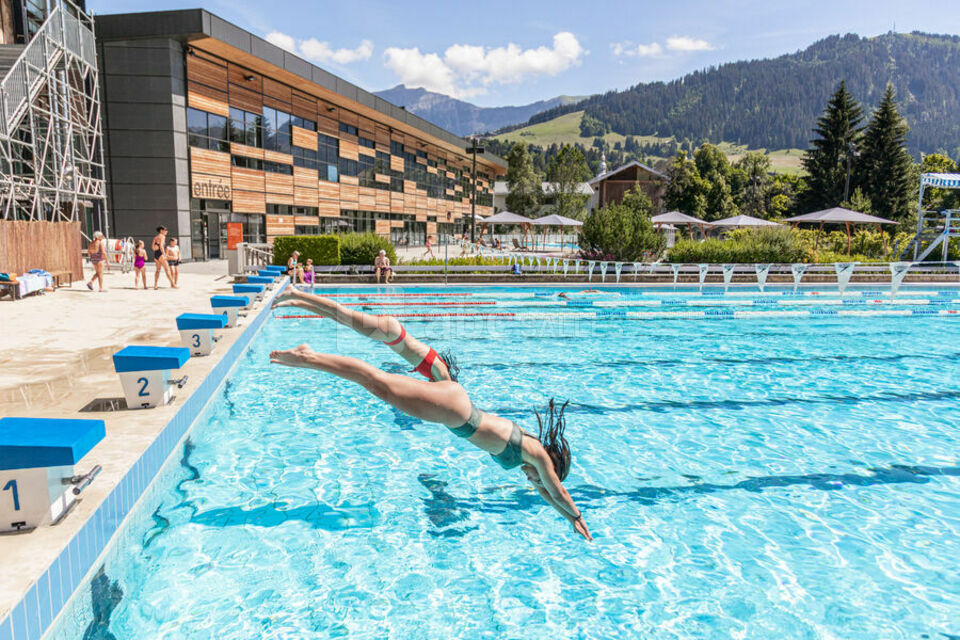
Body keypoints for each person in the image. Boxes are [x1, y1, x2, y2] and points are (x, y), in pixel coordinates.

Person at [269, 294, 591, 541]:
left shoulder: (528, 455)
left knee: (378, 382)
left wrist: (567, 519)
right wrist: (577, 516)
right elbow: (557, 492)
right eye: (542, 478)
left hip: (456, 406)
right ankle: (309, 356)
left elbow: (548, 495)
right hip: (458, 413)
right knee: (377, 383)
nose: (534, 481)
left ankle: (304, 323)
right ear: (551, 467)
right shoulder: (536, 454)